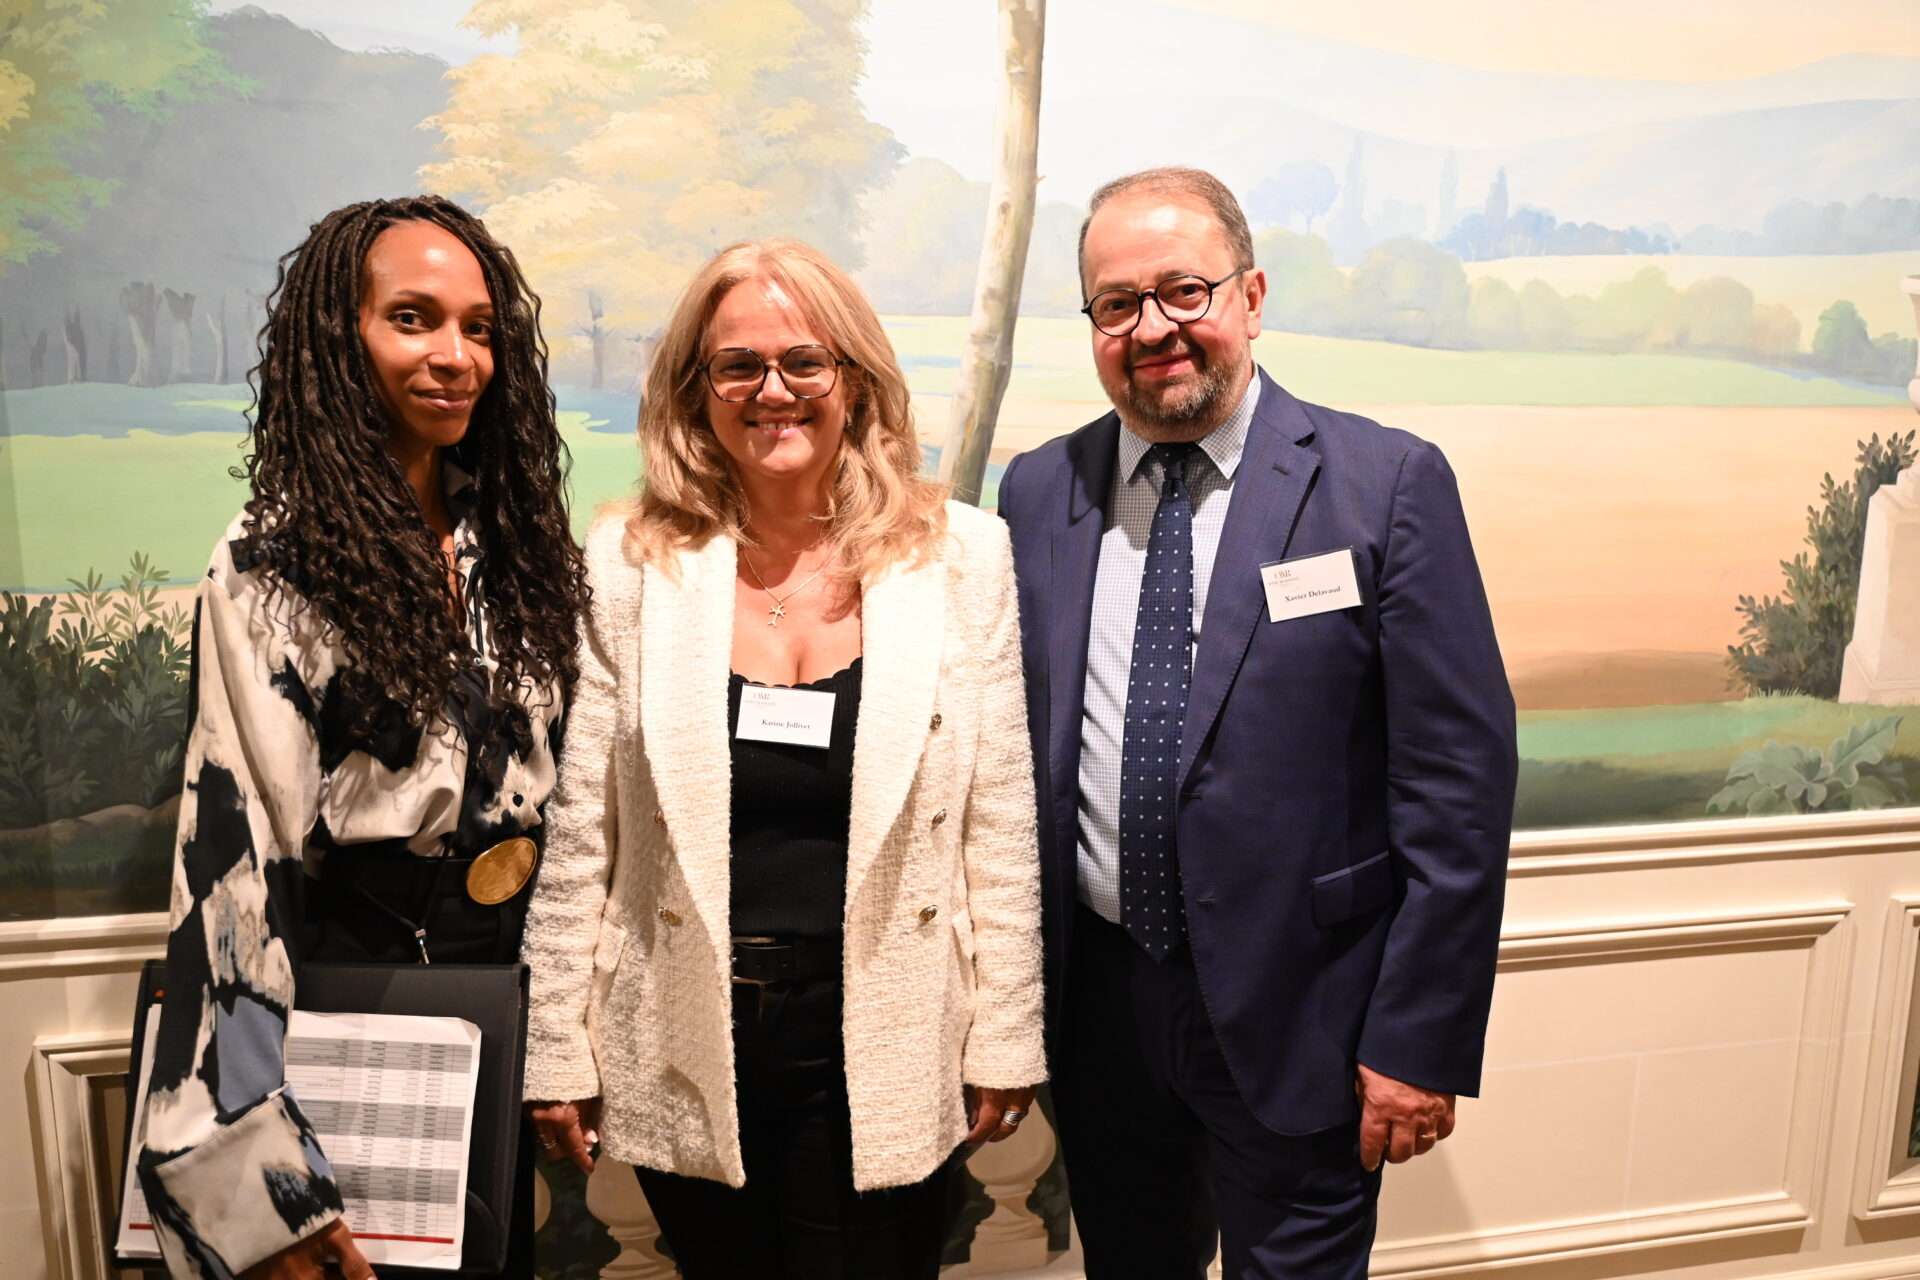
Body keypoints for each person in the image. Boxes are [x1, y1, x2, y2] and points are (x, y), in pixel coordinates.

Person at [996, 167, 1518, 1278]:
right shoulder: (1040, 491)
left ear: (1252, 294)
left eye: (1185, 291)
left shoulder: (1384, 484)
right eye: (1118, 303)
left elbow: (1458, 788)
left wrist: (1416, 1038)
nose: (1154, 328)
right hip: (1102, 1009)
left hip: (1307, 1016)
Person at [522, 238, 1045, 1279]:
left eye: (805, 362)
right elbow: (583, 828)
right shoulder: (630, 563)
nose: (774, 391)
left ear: (854, 380)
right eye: (738, 366)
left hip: (886, 1027)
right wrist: (555, 1043)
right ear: (696, 390)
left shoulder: (959, 556)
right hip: (690, 1028)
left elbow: (999, 816)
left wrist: (1008, 1031)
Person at [134, 195, 589, 1280]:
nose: (456, 356)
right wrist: (261, 1185)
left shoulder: (514, 549)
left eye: (479, 328)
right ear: (341, 339)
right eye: (414, 319)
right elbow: (235, 867)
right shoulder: (274, 562)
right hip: (355, 984)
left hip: (505, 984)